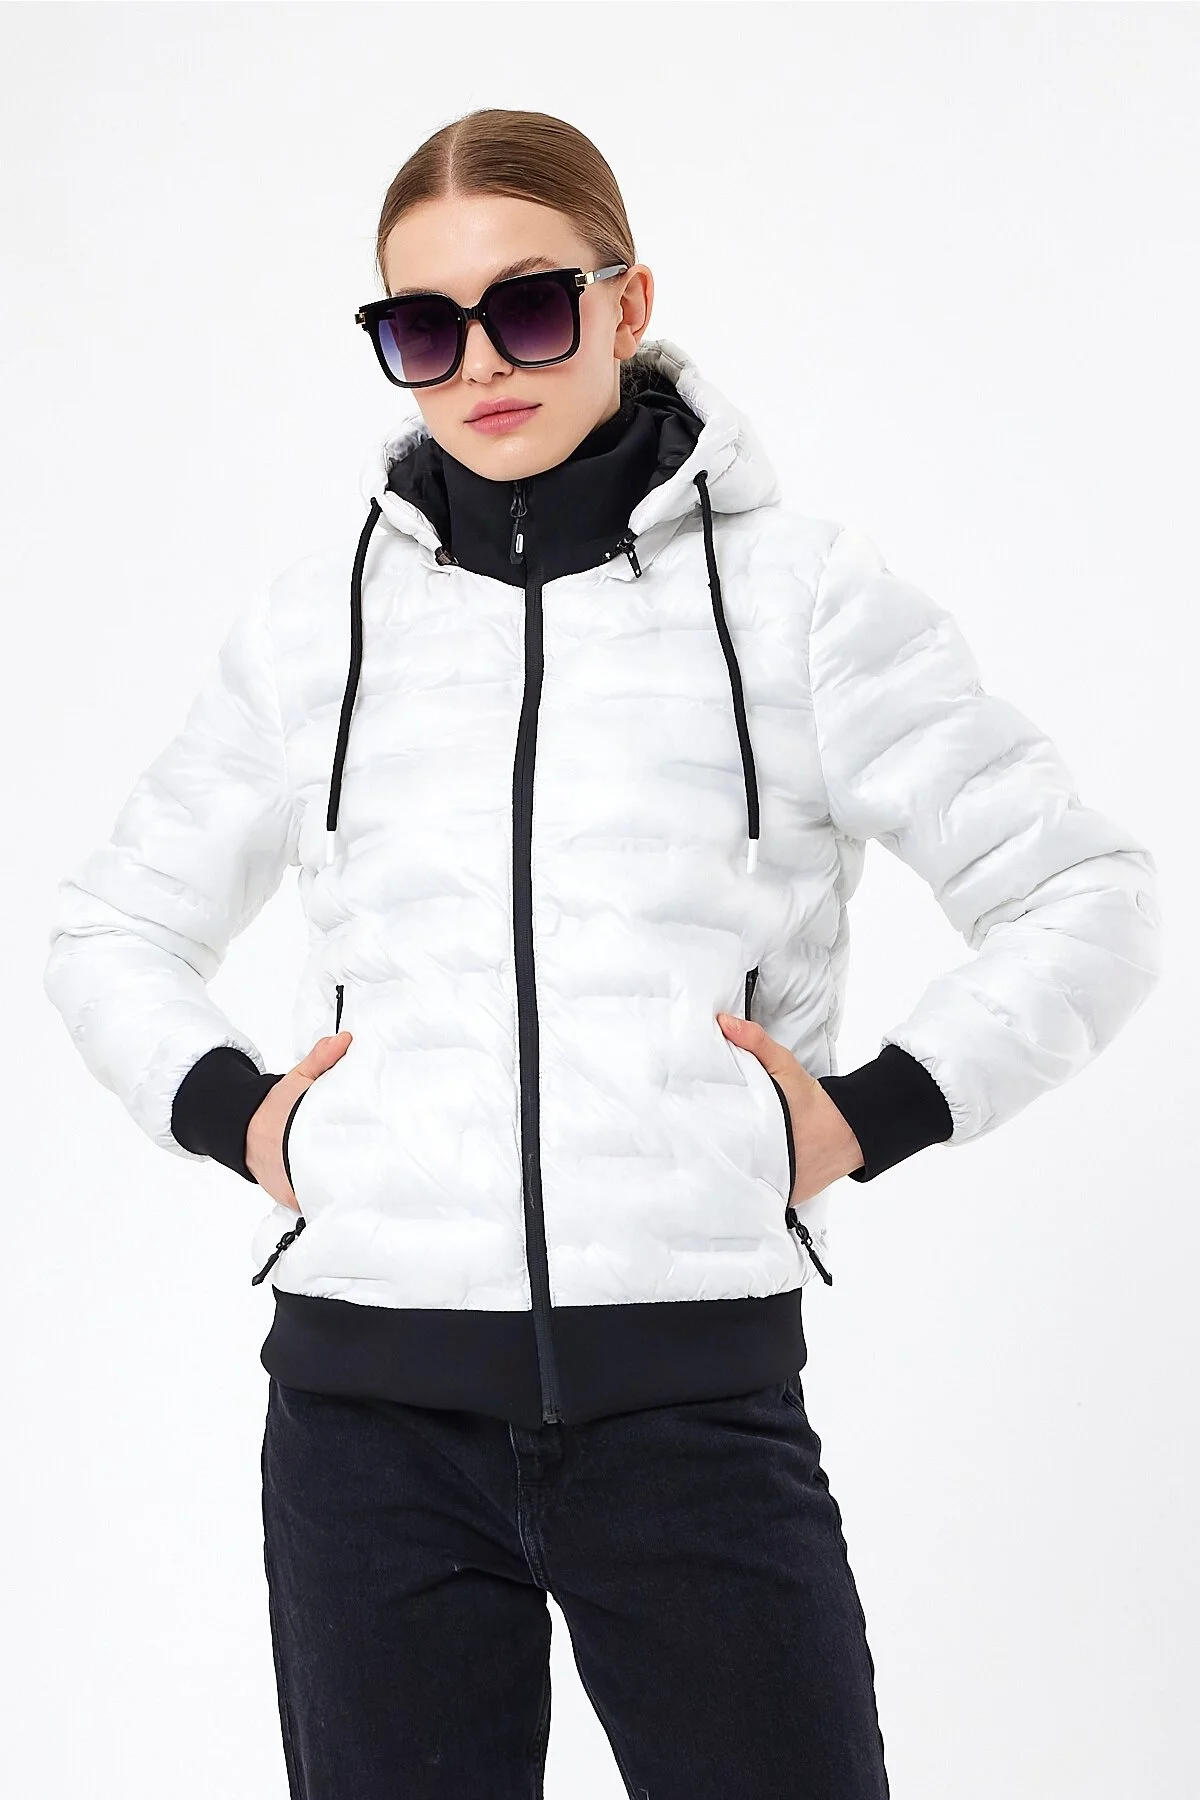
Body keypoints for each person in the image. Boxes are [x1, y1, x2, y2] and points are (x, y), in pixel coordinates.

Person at [42, 107, 1161, 1800]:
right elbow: (111, 924)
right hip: (364, 1432)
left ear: (628, 302)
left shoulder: (799, 601)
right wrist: (239, 1113)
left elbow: (1086, 894)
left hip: (691, 1414)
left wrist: (866, 1116)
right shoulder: (317, 627)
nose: (483, 363)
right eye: (424, 328)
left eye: (530, 305)